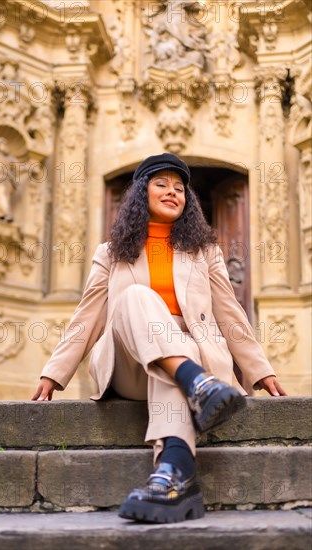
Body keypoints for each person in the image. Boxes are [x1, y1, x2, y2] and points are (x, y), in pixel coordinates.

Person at [32, 153, 287, 524]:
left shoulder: (205, 252)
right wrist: (54, 372)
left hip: (189, 355)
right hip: (130, 365)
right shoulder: (111, 253)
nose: (173, 192)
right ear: (142, 193)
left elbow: (230, 312)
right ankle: (196, 385)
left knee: (179, 349)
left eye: (180, 188)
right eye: (162, 184)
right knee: (136, 298)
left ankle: (174, 476)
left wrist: (259, 369)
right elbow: (87, 315)